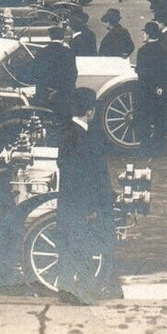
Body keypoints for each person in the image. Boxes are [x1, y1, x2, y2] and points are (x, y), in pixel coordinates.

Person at [55, 88, 118, 303]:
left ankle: (65, 288)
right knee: (86, 248)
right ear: (90, 112)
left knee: (68, 246)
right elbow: (88, 175)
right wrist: (92, 208)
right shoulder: (86, 137)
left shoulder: (66, 133)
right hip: (84, 204)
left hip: (68, 202)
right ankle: (86, 292)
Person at [134, 22, 167, 156]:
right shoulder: (164, 49)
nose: (143, 35)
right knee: (159, 120)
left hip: (145, 90)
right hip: (160, 90)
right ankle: (159, 148)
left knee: (144, 120)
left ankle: (144, 149)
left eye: (144, 33)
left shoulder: (143, 51)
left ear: (148, 35)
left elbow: (141, 71)